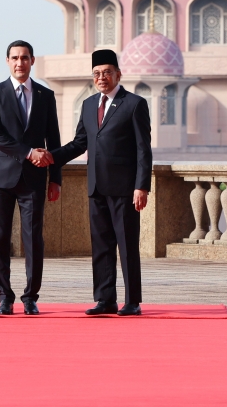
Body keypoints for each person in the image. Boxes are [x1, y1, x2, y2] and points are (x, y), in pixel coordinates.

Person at [50, 49, 152, 316]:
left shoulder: (134, 104)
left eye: (107, 72)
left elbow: (144, 149)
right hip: (96, 187)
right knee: (101, 245)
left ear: (118, 74)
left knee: (127, 246)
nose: (102, 77)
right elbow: (79, 143)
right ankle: (105, 298)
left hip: (124, 188)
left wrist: (141, 186)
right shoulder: (88, 105)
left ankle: (133, 301)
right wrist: (51, 157)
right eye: (97, 73)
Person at [0, 40, 61, 315]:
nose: (19, 62)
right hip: (0, 178)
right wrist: (28, 153)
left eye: (24, 58)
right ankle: (4, 296)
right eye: (14, 58)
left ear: (32, 61)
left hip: (35, 179)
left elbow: (54, 139)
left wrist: (56, 179)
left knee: (33, 239)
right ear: (7, 61)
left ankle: (31, 297)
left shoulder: (45, 96)